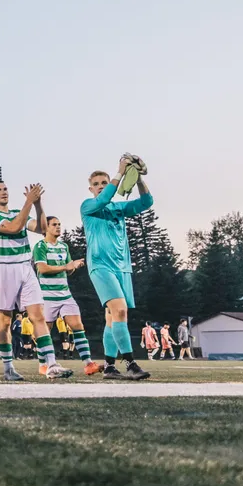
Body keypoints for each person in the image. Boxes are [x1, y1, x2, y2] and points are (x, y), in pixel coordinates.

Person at [0, 177, 71, 380]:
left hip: (25, 266)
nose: (3, 192)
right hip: (3, 268)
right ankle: (8, 368)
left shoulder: (17, 212)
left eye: (5, 188)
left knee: (38, 315)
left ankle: (51, 364)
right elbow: (13, 228)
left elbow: (41, 228)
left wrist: (38, 204)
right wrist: (29, 202)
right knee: (4, 320)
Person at [81, 157, 153, 380]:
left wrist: (137, 177)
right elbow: (103, 199)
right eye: (97, 184)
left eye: (104, 182)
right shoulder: (88, 206)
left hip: (122, 267)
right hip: (100, 266)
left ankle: (110, 367)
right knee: (120, 310)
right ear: (91, 188)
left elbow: (146, 202)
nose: (101, 186)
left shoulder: (118, 209)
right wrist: (119, 174)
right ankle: (131, 364)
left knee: (113, 318)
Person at [33, 216, 103, 375]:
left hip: (65, 295)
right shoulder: (40, 246)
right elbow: (43, 269)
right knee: (45, 330)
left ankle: (88, 363)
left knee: (78, 326)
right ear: (46, 228)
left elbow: (68, 269)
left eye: (59, 224)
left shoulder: (64, 246)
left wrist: (75, 266)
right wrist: (66, 266)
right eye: (54, 225)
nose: (58, 227)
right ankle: (43, 364)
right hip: (46, 296)